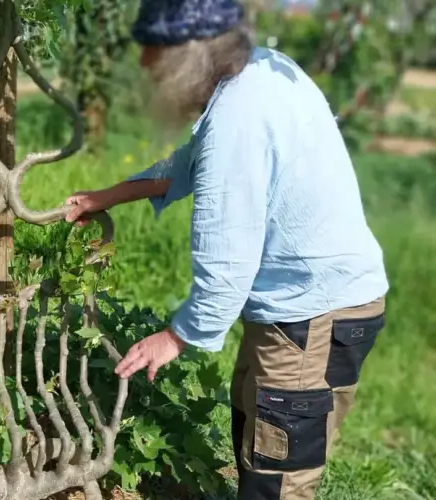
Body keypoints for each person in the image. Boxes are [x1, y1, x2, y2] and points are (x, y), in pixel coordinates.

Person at [64, 1, 389, 499]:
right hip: (314, 303)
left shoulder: (237, 119)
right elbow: (190, 163)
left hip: (313, 317)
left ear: (190, 56)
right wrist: (108, 196)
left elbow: (227, 266)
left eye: (156, 58)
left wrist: (175, 337)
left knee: (276, 478)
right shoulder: (262, 72)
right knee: (254, 433)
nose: (148, 70)